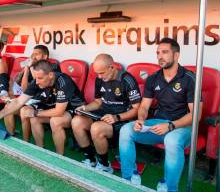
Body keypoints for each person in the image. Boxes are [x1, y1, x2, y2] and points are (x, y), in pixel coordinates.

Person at [119, 38, 200, 192]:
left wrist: (170, 125)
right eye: (158, 53)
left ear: (176, 55)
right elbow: (144, 106)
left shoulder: (190, 78)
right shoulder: (153, 78)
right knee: (126, 130)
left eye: (164, 52)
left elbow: (196, 114)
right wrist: (141, 120)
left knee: (171, 139)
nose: (160, 56)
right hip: (158, 123)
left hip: (182, 126)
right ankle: (128, 179)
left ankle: (170, 187)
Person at [0, 60, 85, 155]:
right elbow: (19, 101)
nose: (37, 82)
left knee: (55, 121)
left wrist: (36, 113)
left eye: (40, 78)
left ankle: (59, 156)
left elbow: (59, 111)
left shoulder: (63, 81)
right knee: (34, 119)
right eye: (36, 78)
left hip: (74, 110)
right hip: (52, 107)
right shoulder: (37, 81)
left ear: (51, 75)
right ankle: (40, 151)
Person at [72, 54, 141, 173]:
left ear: (112, 67)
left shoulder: (127, 80)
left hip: (121, 118)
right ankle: (90, 159)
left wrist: (117, 117)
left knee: (96, 128)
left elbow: (137, 109)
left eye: (102, 73)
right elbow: (98, 102)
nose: (99, 76)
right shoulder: (100, 79)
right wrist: (85, 108)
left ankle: (104, 165)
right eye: (97, 73)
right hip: (103, 114)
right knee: (76, 121)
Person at [0, 45, 60, 136]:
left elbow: (38, 81)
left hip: (42, 99)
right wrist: (26, 69)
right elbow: (24, 88)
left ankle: (25, 141)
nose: (34, 56)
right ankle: (10, 135)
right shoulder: (32, 66)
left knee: (19, 109)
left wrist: (31, 67)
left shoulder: (52, 67)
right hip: (28, 96)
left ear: (45, 57)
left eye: (37, 54)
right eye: (33, 54)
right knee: (8, 104)